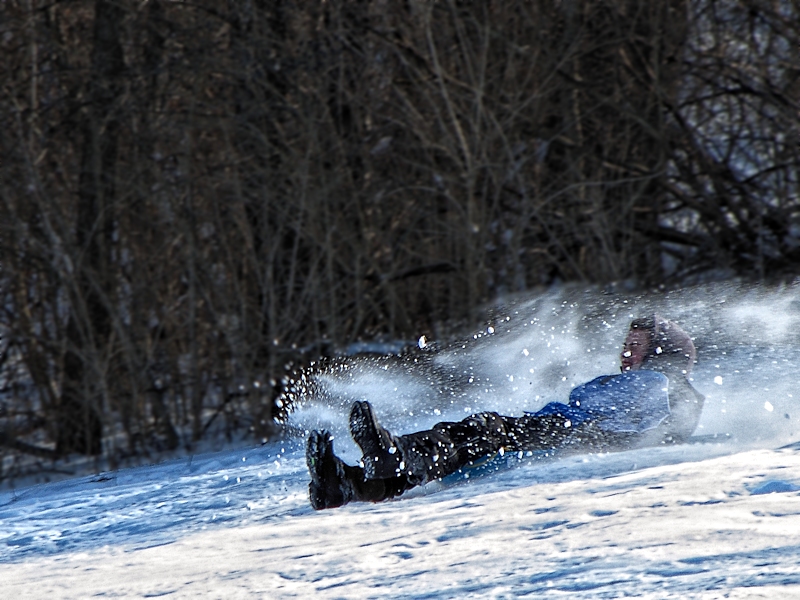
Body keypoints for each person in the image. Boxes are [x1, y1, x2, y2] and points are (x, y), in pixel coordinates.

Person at [306, 314, 704, 510]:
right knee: (469, 438)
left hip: (568, 434)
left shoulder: (660, 384)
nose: (626, 352)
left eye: (637, 344)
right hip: (561, 427)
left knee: (481, 433)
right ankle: (349, 483)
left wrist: (591, 432)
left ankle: (388, 458)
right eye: (627, 343)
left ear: (660, 351)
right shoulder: (653, 385)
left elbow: (653, 430)